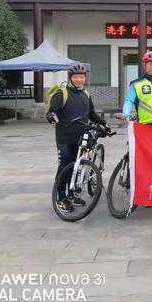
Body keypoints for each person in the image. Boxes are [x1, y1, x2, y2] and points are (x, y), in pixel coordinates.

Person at [46, 63, 110, 214]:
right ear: (71, 78)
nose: (79, 80)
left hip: (81, 137)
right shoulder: (62, 93)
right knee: (65, 167)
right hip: (65, 137)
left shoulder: (85, 94)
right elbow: (51, 111)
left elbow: (92, 114)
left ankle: (71, 193)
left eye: (82, 77)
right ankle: (61, 197)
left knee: (76, 166)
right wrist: (51, 116)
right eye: (76, 77)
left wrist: (103, 123)